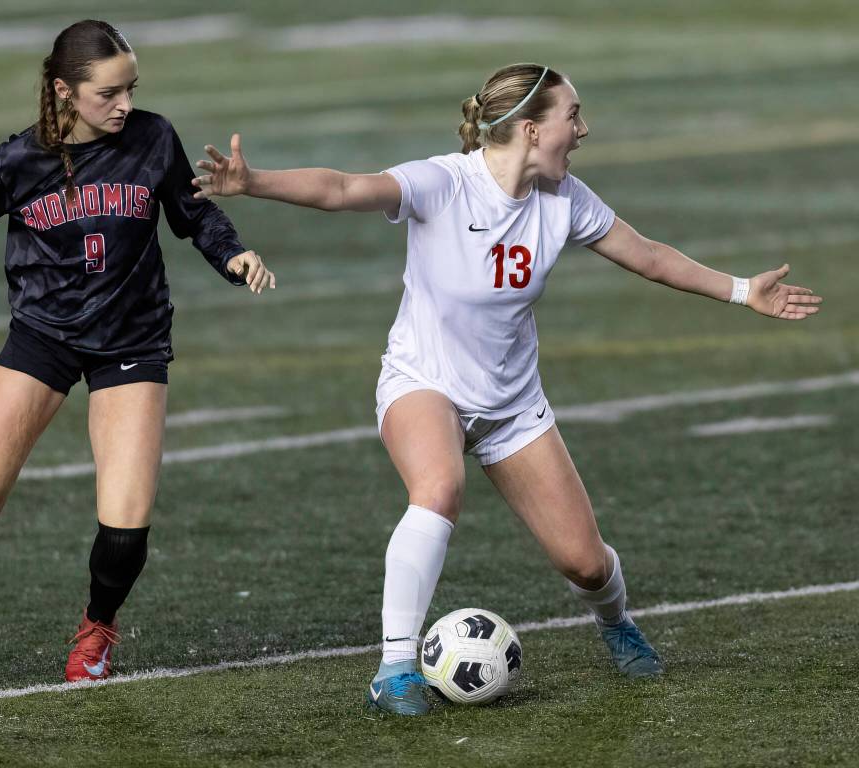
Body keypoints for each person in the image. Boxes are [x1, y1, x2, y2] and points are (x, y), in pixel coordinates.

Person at [190, 63, 822, 715]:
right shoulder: (445, 183)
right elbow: (345, 187)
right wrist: (254, 183)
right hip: (423, 381)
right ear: (528, 128)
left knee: (586, 566)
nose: (582, 129)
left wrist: (744, 290)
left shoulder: (566, 198)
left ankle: (616, 624)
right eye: (571, 116)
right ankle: (396, 668)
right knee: (438, 487)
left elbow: (650, 255)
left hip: (513, 406)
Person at [0, 19, 275, 697]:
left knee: (125, 529)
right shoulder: (18, 161)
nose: (126, 103)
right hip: (44, 336)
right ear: (65, 91)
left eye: (132, 87)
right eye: (110, 92)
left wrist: (232, 253)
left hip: (131, 341)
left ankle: (97, 625)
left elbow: (195, 215)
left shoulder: (154, 138)